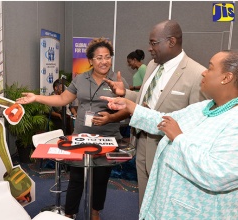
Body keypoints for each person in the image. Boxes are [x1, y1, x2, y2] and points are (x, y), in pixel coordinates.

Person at [101, 50, 238, 219]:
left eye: (210, 68)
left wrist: (179, 138)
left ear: (227, 77)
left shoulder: (234, 121)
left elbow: (218, 175)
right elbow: (163, 120)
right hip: (169, 205)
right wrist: (130, 106)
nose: (204, 72)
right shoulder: (203, 107)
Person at [16, 37, 129, 220]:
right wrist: (36, 97)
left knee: (100, 180)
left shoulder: (118, 81)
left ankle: (95, 212)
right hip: (81, 137)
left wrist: (111, 117)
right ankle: (69, 213)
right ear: (91, 61)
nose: (104, 61)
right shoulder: (80, 79)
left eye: (107, 57)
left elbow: (127, 111)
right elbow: (62, 99)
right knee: (76, 178)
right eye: (99, 57)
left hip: (107, 137)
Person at [103, 20, 207, 208]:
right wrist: (125, 93)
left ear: (171, 42)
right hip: (141, 142)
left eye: (153, 43)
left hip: (167, 152)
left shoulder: (197, 74)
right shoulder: (152, 65)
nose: (149, 49)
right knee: (144, 201)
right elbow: (146, 100)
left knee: (163, 205)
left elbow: (197, 123)